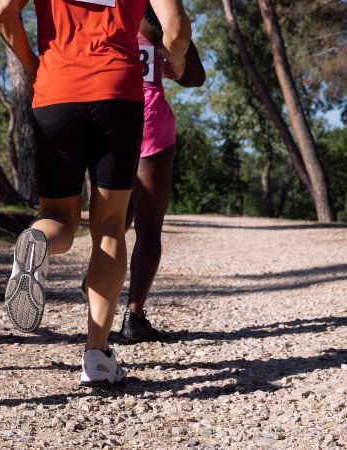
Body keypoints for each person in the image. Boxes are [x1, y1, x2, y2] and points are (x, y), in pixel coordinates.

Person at [0, 0, 192, 386]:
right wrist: (177, 63)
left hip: (56, 91)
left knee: (58, 219)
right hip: (117, 92)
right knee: (110, 226)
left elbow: (1, 10)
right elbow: (177, 29)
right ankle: (97, 357)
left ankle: (37, 242)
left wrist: (33, 64)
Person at [120, 7, 205, 343]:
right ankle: (134, 317)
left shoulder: (102, 10)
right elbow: (196, 76)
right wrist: (176, 66)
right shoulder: (156, 16)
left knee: (114, 217)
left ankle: (95, 289)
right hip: (150, 117)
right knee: (148, 227)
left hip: (109, 113)